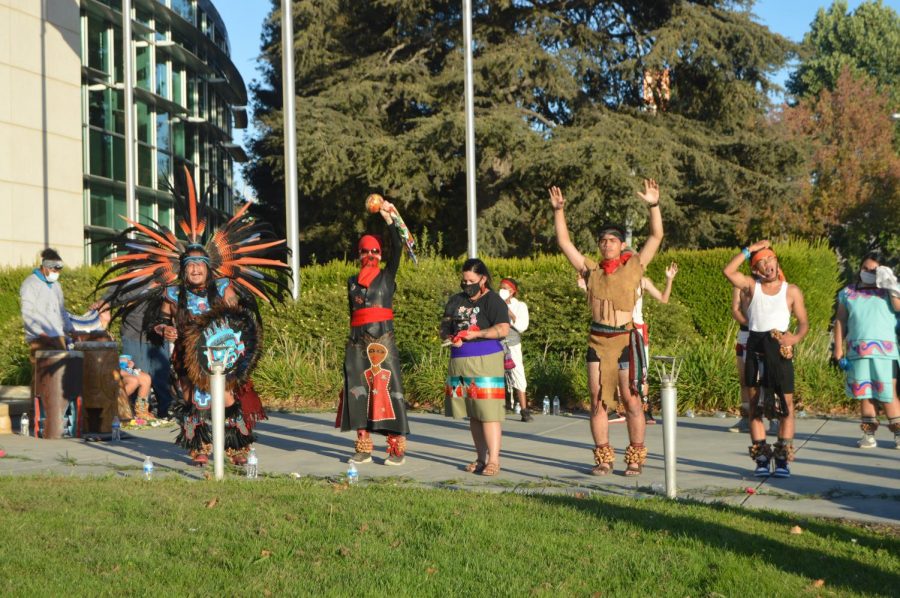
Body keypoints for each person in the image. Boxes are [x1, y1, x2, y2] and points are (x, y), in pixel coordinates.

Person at [97, 165, 291, 465]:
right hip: (187, 355)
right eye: (190, 266)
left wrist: (236, 344)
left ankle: (234, 447)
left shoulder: (224, 288)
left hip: (221, 353)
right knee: (191, 400)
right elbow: (159, 322)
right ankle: (199, 447)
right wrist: (166, 331)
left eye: (200, 265)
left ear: (208, 267)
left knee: (225, 399)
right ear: (183, 269)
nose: (196, 269)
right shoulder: (173, 295)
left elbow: (240, 319)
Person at [549, 179, 664, 476]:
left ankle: (635, 457)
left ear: (622, 244)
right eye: (602, 241)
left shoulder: (634, 266)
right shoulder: (591, 270)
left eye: (612, 240)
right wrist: (559, 211)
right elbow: (564, 243)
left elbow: (656, 236)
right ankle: (603, 458)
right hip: (599, 340)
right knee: (598, 401)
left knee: (631, 400)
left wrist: (653, 205)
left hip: (625, 338)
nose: (606, 244)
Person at [723, 240, 808, 478]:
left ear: (777, 262)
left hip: (779, 351)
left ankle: (782, 458)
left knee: (786, 407)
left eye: (771, 259)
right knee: (755, 407)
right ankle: (761, 457)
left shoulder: (791, 290)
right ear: (755, 269)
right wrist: (750, 249)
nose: (768, 265)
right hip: (755, 347)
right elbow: (728, 271)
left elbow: (803, 323)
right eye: (762, 262)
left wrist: (795, 338)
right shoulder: (751, 286)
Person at [337, 199, 411, 466]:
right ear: (358, 255)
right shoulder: (351, 283)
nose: (369, 254)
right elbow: (351, 314)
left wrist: (389, 218)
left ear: (380, 254)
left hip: (384, 341)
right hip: (357, 343)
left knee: (390, 392)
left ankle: (396, 448)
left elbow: (399, 245)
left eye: (374, 251)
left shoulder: (388, 276)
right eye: (364, 251)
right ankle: (363, 447)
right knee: (358, 393)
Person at [442, 259, 511, 476]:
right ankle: (481, 458)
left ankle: (494, 460)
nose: (466, 284)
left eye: (471, 280)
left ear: (483, 279)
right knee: (472, 412)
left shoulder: (493, 300)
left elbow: (503, 329)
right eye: (464, 281)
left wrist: (478, 333)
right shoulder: (456, 301)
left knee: (489, 412)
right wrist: (450, 338)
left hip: (486, 358)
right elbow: (444, 328)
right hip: (460, 359)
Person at [832, 253, 900, 449]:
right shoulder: (848, 292)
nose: (868, 273)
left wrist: (892, 285)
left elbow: (898, 308)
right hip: (857, 351)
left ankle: (898, 434)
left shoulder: (888, 291)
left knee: (887, 393)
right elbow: (840, 320)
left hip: (885, 352)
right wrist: (838, 348)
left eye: (873, 270)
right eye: (865, 269)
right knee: (865, 392)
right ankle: (868, 434)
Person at [19, 248, 74, 391]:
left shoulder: (56, 285)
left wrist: (71, 330)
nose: (57, 273)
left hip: (58, 337)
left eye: (59, 270)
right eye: (54, 269)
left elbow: (62, 311)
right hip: (39, 339)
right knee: (40, 377)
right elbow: (28, 314)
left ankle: (58, 410)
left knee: (61, 377)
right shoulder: (30, 284)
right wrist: (41, 334)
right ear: (44, 267)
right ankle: (35, 411)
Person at [631, 262, 678, 424]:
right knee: (619, 370)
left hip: (636, 329)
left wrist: (669, 279)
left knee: (643, 372)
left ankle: (645, 408)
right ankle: (620, 409)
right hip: (619, 330)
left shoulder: (642, 282)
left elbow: (664, 299)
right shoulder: (613, 279)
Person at [499, 278, 531, 422]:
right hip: (496, 343)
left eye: (505, 288)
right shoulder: (493, 303)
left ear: (512, 291)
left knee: (518, 373)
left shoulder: (520, 306)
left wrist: (508, 310)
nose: (502, 290)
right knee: (495, 375)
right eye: (501, 287)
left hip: (513, 344)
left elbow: (522, 326)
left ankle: (524, 410)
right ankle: (497, 408)